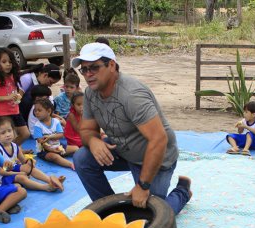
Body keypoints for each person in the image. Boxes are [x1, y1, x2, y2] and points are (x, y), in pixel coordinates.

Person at [73, 42, 191, 213]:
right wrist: (92, 141)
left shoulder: (132, 95)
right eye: (84, 70)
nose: (88, 74)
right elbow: (86, 130)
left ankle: (182, 191)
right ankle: (111, 211)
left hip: (156, 158)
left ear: (111, 65)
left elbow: (158, 140)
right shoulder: (91, 93)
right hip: (124, 151)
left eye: (94, 68)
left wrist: (142, 186)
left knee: (152, 216)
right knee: (82, 158)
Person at [0, 117, 64, 192]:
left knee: (29, 168)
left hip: (13, 170)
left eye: (9, 131)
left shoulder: (14, 146)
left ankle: (50, 180)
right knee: (22, 177)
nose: (8, 134)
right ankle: (46, 187)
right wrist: (20, 173)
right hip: (2, 177)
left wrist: (29, 162)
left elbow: (23, 161)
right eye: (3, 133)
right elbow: (0, 172)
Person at [0, 48, 29, 145]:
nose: (8, 64)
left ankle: (13, 150)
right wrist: (8, 97)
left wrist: (18, 96)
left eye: (10, 61)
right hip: (2, 114)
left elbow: (19, 90)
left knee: (25, 134)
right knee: (5, 137)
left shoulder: (13, 76)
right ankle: (7, 151)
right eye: (4, 62)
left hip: (15, 111)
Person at [32, 98, 75, 170]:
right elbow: (41, 142)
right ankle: (71, 164)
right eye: (35, 110)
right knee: (55, 157)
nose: (36, 113)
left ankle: (84, 160)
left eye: (39, 110)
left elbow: (61, 134)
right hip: (44, 151)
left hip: (58, 146)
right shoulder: (37, 126)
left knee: (75, 148)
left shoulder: (56, 121)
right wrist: (52, 150)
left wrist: (49, 137)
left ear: (48, 111)